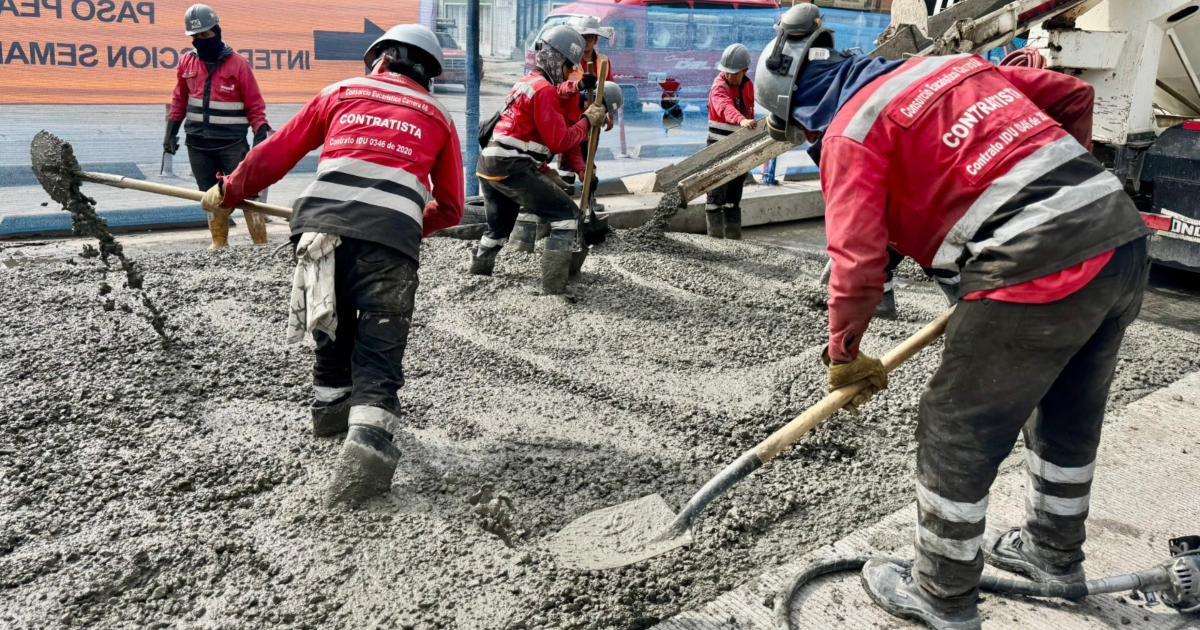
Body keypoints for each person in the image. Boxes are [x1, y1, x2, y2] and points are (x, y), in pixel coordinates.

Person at [759, 5, 1151, 629]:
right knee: (1068, 408)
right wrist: (1060, 195)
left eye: (800, 132)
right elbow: (1073, 95)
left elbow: (856, 265)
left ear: (799, 110)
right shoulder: (948, 68)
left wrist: (843, 355)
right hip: (1119, 240)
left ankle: (942, 596)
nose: (809, 142)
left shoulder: (849, 132)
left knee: (955, 429)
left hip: (1035, 271)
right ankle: (1055, 557)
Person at [199, 24, 464, 504]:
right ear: (429, 75)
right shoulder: (441, 117)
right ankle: (367, 443)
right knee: (380, 351)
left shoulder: (342, 91)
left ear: (379, 59)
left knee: (331, 322)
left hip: (320, 230)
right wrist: (398, 224)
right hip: (390, 246)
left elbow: (275, 155)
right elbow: (450, 207)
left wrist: (229, 190)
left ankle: (329, 412)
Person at [470, 25, 607, 294]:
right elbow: (559, 141)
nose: (570, 72)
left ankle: (478, 270)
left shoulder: (528, 82)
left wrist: (577, 171)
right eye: (569, 66)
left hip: (489, 163)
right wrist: (587, 121)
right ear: (558, 60)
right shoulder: (545, 90)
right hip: (512, 166)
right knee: (567, 216)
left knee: (498, 227)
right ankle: (554, 287)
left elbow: (535, 135)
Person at [165, 4, 271, 249]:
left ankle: (260, 244)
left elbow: (255, 105)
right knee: (209, 194)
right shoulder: (186, 63)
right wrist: (170, 133)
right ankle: (219, 244)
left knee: (247, 190)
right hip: (198, 143)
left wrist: (260, 134)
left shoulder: (238, 65)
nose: (200, 41)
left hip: (232, 144)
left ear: (217, 31)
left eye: (205, 35)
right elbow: (178, 100)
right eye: (195, 36)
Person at [558, 16, 617, 210]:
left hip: (593, 122)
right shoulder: (570, 61)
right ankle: (564, 203)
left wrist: (609, 115)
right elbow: (560, 89)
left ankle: (589, 198)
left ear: (596, 40)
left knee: (588, 157)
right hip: (570, 120)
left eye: (589, 38)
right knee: (567, 161)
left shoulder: (604, 62)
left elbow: (610, 89)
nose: (586, 42)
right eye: (582, 38)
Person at [705, 42, 756, 240]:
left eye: (734, 72)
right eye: (726, 71)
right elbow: (725, 108)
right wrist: (741, 120)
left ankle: (734, 238)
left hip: (740, 147)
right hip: (718, 148)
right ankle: (715, 241)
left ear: (745, 70)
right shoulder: (718, 88)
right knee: (715, 192)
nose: (729, 75)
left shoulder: (748, 85)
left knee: (734, 193)